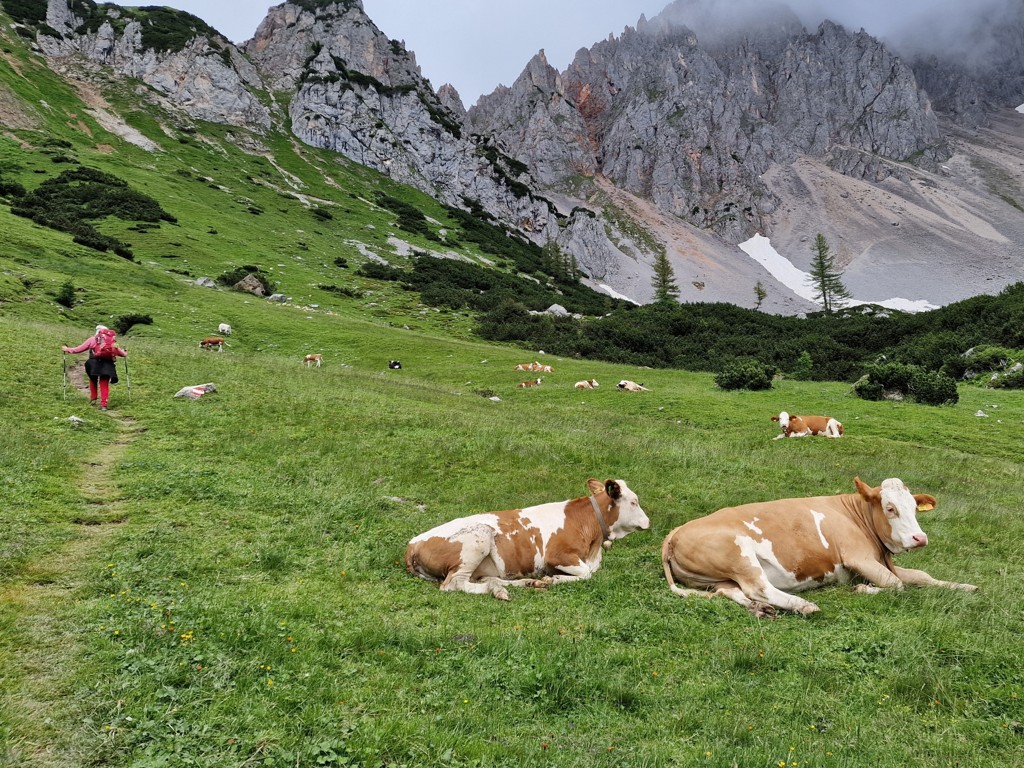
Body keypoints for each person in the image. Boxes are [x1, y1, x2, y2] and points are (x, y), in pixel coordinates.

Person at [62, 325, 127, 410]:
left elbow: (79, 349)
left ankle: (93, 399)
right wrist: (125, 352)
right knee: (104, 383)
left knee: (93, 380)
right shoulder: (112, 341)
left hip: (93, 363)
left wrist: (67, 349)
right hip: (108, 364)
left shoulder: (93, 339)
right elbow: (121, 353)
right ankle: (104, 404)